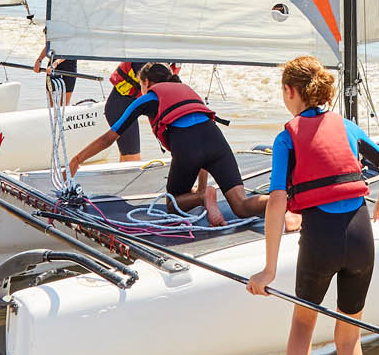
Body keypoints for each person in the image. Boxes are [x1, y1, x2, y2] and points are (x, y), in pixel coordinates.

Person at [248, 56, 379, 355]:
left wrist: (268, 270)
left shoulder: (287, 137)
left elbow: (278, 201)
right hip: (360, 238)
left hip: (321, 242)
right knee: (348, 339)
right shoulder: (347, 127)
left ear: (291, 92)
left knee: (302, 326)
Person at [65, 64, 268, 225]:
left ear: (146, 82)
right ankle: (282, 200)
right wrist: (202, 187)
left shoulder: (149, 98)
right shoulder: (186, 90)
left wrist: (77, 159)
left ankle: (201, 198)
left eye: (140, 85)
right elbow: (202, 134)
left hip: (187, 146)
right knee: (241, 206)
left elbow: (108, 138)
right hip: (216, 140)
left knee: (172, 204)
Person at [101, 59, 177, 160]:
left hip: (141, 102)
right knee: (132, 159)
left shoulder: (171, 57)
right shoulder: (151, 64)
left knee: (128, 159)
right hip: (121, 105)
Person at [33, 41, 79, 108]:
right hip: (53, 65)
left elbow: (70, 48)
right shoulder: (50, 30)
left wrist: (56, 63)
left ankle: (63, 117)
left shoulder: (73, 31)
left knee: (64, 106)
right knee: (52, 105)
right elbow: (49, 45)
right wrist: (39, 60)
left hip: (69, 66)